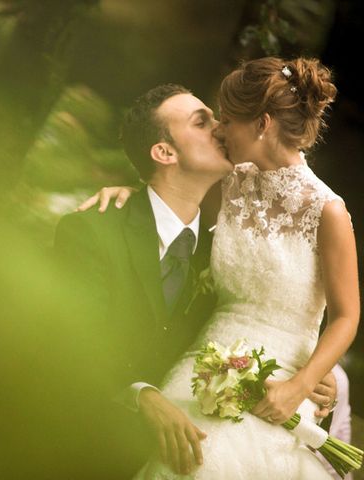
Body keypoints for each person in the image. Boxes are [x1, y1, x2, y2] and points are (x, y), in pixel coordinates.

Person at [75, 57, 359, 479]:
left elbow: (346, 315)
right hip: (201, 365)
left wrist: (300, 386)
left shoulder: (328, 211)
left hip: (283, 379)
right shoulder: (232, 183)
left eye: (226, 120)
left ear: (262, 124)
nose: (220, 131)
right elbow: (172, 193)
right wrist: (131, 194)